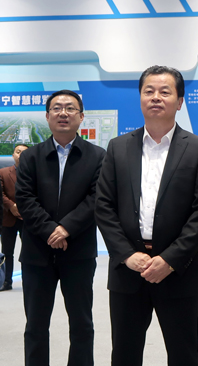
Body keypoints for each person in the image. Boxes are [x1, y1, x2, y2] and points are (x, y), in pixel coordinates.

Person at [95, 65, 198, 366]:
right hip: (128, 270)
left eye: (165, 91)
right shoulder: (118, 147)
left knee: (183, 353)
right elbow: (104, 206)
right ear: (140, 98)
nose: (155, 97)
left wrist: (169, 260)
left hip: (178, 270)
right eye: (148, 91)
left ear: (179, 102)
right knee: (124, 354)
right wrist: (126, 255)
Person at [16, 90, 106, 366]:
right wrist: (50, 231)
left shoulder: (98, 156)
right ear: (47, 116)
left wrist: (66, 228)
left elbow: (97, 198)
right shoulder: (31, 157)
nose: (63, 113)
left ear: (81, 116)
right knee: (35, 325)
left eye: (70, 108)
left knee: (81, 324)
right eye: (56, 108)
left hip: (78, 252)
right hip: (37, 253)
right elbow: (25, 199)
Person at [0, 143, 28, 291]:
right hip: (8, 218)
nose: (20, 155)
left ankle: (29, 281)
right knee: (7, 252)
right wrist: (11, 206)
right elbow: (1, 193)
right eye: (18, 152)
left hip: (28, 219)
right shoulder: (3, 172)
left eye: (24, 152)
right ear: (13, 155)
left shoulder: (35, 173)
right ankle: (6, 281)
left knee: (29, 252)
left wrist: (24, 209)